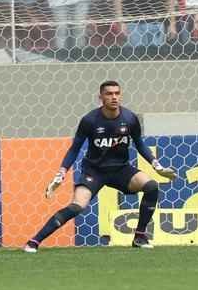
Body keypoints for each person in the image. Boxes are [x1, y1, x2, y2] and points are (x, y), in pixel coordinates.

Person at [25, 80, 177, 252]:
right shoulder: (89, 120)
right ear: (101, 97)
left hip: (121, 169)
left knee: (151, 186)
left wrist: (157, 166)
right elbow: (74, 149)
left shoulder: (130, 118)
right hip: (94, 171)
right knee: (77, 206)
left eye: (117, 93)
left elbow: (140, 144)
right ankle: (34, 241)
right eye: (109, 94)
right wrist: (61, 173)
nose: (114, 97)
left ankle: (139, 237)